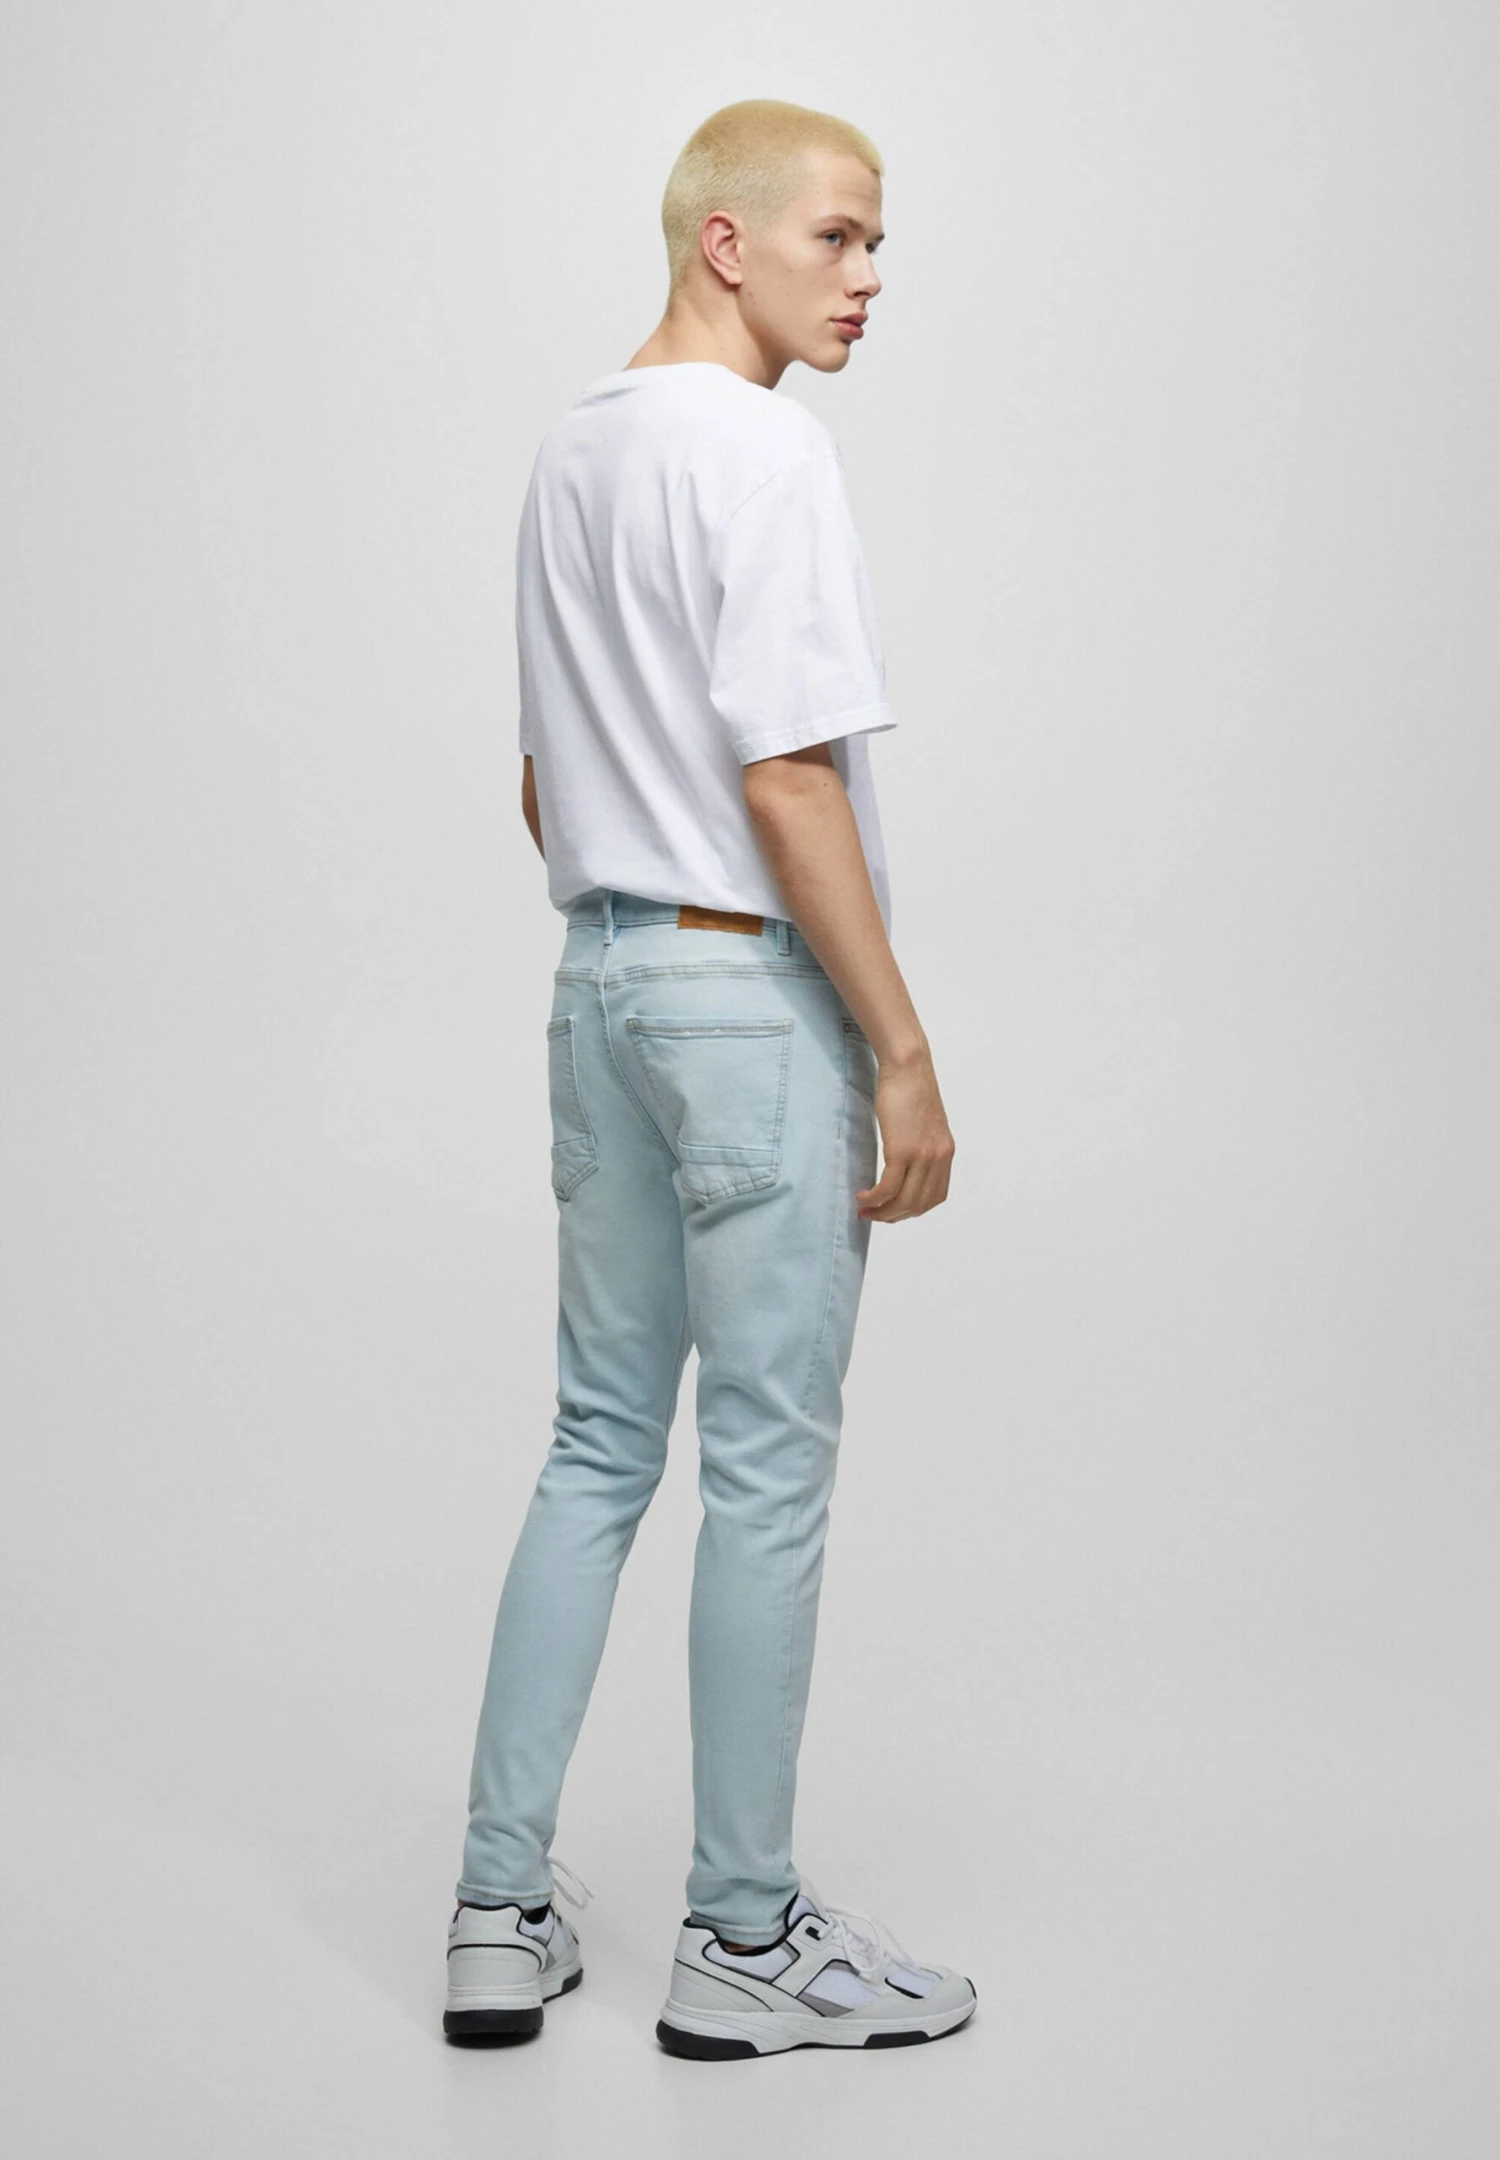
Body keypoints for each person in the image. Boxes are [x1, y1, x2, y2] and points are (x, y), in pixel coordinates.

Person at [443, 98, 976, 2059]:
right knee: (763, 1472)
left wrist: (636, 910)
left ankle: (497, 1911)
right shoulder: (764, 450)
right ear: (724, 243)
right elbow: (786, 778)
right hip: (748, 1003)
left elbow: (541, 782)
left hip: (596, 986)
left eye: (879, 241)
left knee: (596, 1445)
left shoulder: (573, 449)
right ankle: (744, 1939)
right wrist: (900, 1049)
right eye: (841, 237)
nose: (872, 277)